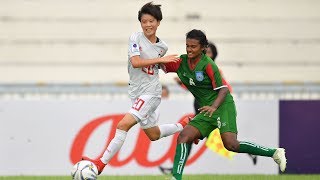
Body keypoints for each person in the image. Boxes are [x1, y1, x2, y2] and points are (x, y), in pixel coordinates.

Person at [161, 29, 287, 180]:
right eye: (187, 45)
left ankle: (274, 152)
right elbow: (159, 67)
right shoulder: (181, 62)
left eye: (193, 46)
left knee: (231, 145)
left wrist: (214, 107)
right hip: (206, 110)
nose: (189, 49)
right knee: (184, 136)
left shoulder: (209, 65)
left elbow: (224, 89)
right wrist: (155, 58)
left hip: (222, 106)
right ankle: (176, 177)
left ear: (203, 48)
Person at [82, 2, 189, 175]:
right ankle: (183, 125)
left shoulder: (163, 47)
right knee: (153, 134)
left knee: (123, 125)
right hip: (136, 92)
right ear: (140, 23)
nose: (148, 25)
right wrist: (160, 61)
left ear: (158, 22)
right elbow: (136, 62)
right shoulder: (135, 38)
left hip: (151, 93)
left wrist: (174, 67)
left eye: (151, 21)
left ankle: (100, 164)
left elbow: (160, 66)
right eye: (144, 21)